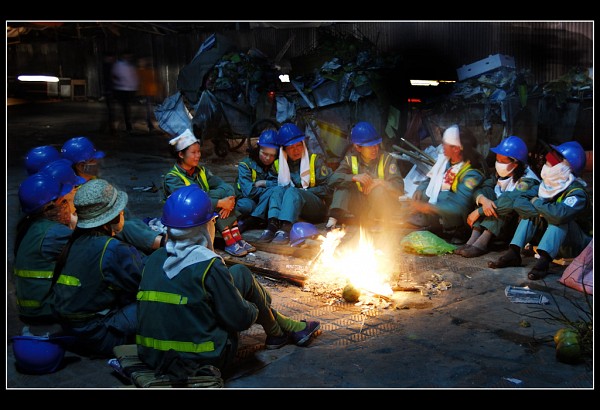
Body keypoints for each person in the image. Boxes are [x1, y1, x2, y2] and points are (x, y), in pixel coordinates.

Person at [136, 184, 321, 375]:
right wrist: (256, 306)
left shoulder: (153, 259)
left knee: (238, 274)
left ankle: (279, 331)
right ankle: (279, 330)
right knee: (244, 285)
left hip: (151, 356)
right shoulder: (208, 264)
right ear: (204, 227)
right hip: (202, 360)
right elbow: (240, 320)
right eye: (213, 222)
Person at [51, 179, 145, 357]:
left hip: (73, 332)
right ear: (109, 218)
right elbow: (141, 284)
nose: (123, 214)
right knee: (158, 300)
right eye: (120, 211)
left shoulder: (74, 242)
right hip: (99, 337)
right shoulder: (112, 249)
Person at [488, 141, 592, 280]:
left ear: (566, 167)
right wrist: (543, 211)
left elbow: (559, 215)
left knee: (558, 220)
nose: (547, 165)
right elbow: (519, 201)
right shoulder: (547, 186)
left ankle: (543, 263)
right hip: (557, 241)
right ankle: (513, 252)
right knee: (533, 215)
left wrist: (537, 203)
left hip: (577, 245)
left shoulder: (577, 193)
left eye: (552, 162)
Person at [61, 136, 165, 254]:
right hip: (94, 232)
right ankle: (160, 242)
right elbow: (81, 223)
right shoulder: (72, 193)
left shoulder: (90, 180)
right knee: (124, 226)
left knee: (128, 217)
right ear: (81, 166)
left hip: (106, 227)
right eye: (93, 160)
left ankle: (151, 237)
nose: (97, 162)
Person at [163, 129, 255, 257]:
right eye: (193, 153)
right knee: (209, 199)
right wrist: (220, 203)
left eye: (199, 152)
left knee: (223, 196)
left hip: (205, 211)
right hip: (185, 220)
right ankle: (230, 240)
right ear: (181, 154)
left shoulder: (201, 171)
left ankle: (235, 238)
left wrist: (229, 200)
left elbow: (225, 186)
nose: (198, 156)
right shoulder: (172, 178)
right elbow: (191, 205)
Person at [455, 136, 541, 257]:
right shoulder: (502, 174)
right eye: (497, 160)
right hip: (499, 224)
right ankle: (473, 238)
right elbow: (483, 187)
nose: (498, 164)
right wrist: (483, 200)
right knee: (487, 194)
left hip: (512, 224)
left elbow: (511, 201)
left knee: (504, 202)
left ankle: (482, 242)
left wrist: (479, 211)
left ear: (515, 163)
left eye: (502, 161)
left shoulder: (528, 181)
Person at [13, 172, 76, 325]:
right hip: (46, 310)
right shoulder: (53, 233)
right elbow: (91, 251)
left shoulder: (29, 226)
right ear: (49, 206)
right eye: (63, 201)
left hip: (31, 309)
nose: (67, 205)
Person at [256, 123, 334, 244]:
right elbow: (275, 184)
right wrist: (265, 182)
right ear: (284, 149)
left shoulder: (315, 160)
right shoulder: (279, 164)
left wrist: (305, 192)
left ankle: (286, 228)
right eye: (291, 147)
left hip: (315, 208)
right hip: (294, 211)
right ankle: (272, 225)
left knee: (292, 191)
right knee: (278, 189)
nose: (296, 150)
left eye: (299, 145)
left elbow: (329, 189)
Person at [409, 124, 487, 244]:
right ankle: (437, 226)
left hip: (461, 214)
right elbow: (430, 179)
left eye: (445, 144)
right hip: (445, 210)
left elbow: (459, 204)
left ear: (456, 148)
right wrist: (420, 189)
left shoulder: (471, 172)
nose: (442, 146)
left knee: (442, 196)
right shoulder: (445, 161)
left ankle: (458, 231)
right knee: (426, 193)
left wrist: (429, 207)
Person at [326, 121, 405, 230]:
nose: (375, 149)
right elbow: (331, 180)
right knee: (343, 183)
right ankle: (332, 222)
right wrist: (353, 177)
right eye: (370, 146)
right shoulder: (350, 159)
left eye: (376, 145)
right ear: (358, 147)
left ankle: (381, 224)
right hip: (361, 207)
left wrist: (381, 183)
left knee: (378, 189)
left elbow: (399, 188)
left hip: (383, 209)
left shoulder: (387, 159)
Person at [234, 129, 280, 233]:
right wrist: (269, 191)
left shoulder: (277, 164)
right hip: (248, 199)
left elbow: (282, 184)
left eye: (272, 155)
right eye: (265, 153)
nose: (268, 158)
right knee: (247, 206)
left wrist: (264, 183)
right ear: (258, 149)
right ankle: (260, 217)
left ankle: (253, 219)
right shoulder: (245, 165)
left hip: (267, 199)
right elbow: (249, 192)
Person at [111, 50, 139, 134]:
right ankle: (125, 125)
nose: (128, 58)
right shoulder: (118, 65)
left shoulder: (131, 65)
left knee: (126, 108)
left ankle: (125, 125)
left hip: (129, 89)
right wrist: (119, 82)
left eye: (129, 56)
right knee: (125, 108)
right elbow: (114, 76)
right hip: (121, 89)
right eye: (127, 56)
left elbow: (134, 76)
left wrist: (135, 86)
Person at [137, 56, 159, 133]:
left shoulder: (148, 71)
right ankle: (149, 123)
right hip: (145, 92)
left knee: (148, 108)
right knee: (148, 108)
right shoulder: (141, 71)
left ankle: (149, 122)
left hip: (148, 92)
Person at [100, 51, 117, 135]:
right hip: (109, 90)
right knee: (110, 110)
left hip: (109, 90)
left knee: (109, 110)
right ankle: (110, 127)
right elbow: (109, 80)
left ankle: (106, 127)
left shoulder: (107, 66)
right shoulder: (108, 67)